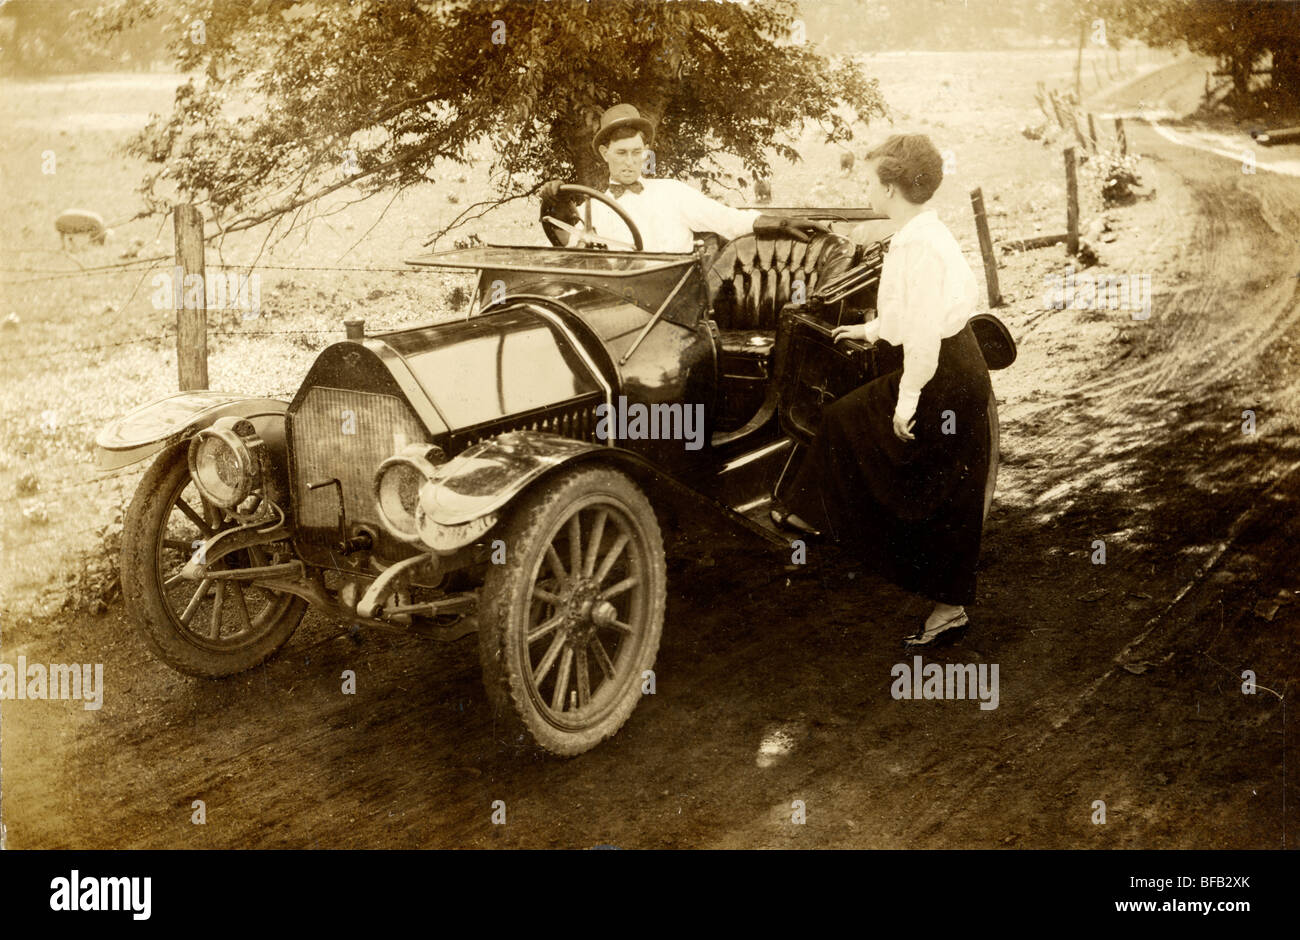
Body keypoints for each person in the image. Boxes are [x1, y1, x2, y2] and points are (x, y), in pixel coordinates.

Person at [771, 133, 993, 649]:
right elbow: (908, 313)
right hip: (949, 362)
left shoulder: (919, 244)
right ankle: (818, 520)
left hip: (944, 371)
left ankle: (946, 607)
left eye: (869, 183)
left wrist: (907, 400)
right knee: (922, 472)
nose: (865, 192)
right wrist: (869, 331)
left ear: (892, 188)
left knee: (937, 483)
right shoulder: (920, 232)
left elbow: (921, 332)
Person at [539, 103, 829, 253]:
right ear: (605, 153)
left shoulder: (672, 193)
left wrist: (781, 222)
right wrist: (554, 205)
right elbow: (573, 249)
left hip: (673, 307)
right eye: (621, 153)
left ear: (646, 151)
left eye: (636, 152)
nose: (630, 162)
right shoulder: (595, 208)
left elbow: (729, 220)